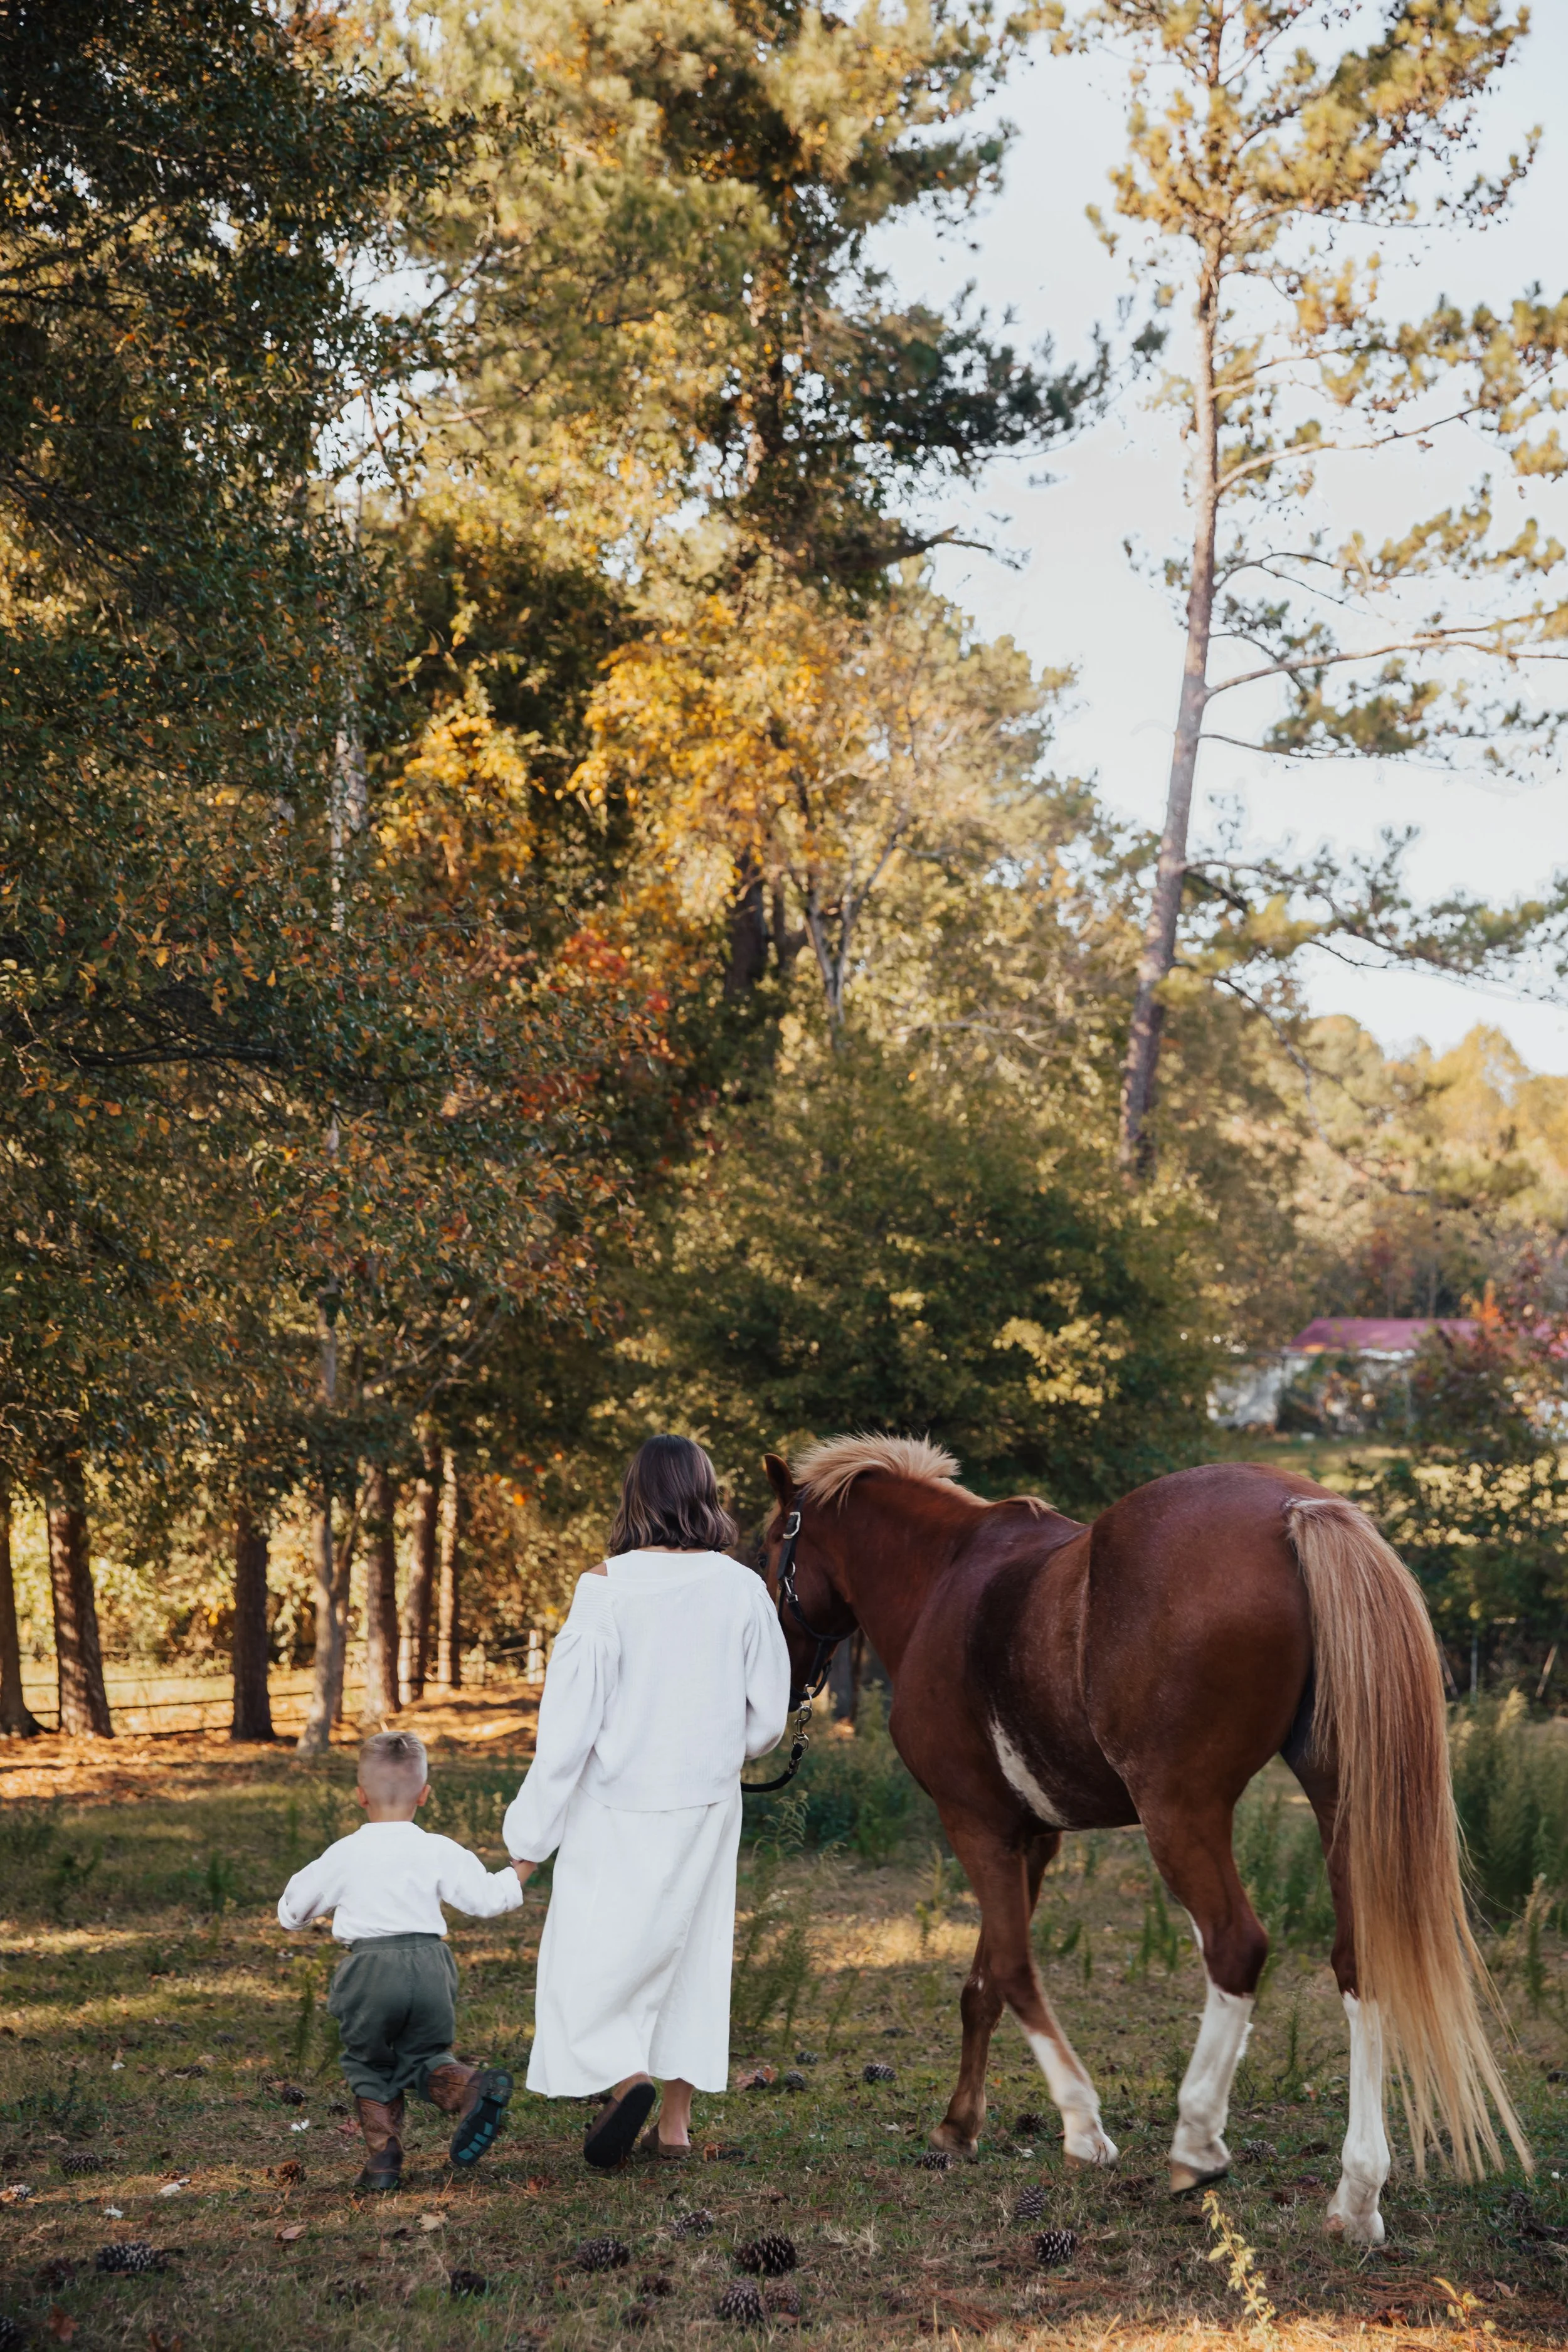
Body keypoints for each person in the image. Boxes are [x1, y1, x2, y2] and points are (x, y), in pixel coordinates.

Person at [505, 1434, 792, 2167]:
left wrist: (528, 1843)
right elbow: (766, 1718)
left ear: (636, 1496)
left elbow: (567, 1731)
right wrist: (716, 1752)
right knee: (692, 1952)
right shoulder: (743, 1589)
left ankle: (624, 2075)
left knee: (589, 1955)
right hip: (704, 1801)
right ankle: (674, 2127)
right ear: (707, 1495)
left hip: (612, 1805)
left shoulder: (603, 1588)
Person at [277, 1729, 524, 2191]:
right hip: (432, 1966)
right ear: (425, 1794)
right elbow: (490, 1899)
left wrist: (295, 1908)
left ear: (360, 1796)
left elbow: (293, 1912)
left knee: (370, 2063)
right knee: (426, 2055)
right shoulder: (436, 1848)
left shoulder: (345, 1853)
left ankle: (384, 2159)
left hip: (369, 1970)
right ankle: (469, 2087)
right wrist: (522, 1868)